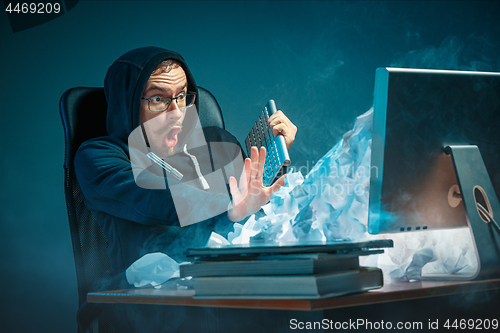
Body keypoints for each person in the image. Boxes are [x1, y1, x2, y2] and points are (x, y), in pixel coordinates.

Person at [74, 46, 297, 278]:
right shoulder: (99, 156)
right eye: (159, 99)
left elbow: (256, 215)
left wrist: (274, 165)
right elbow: (156, 198)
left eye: (181, 96)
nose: (177, 112)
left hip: (236, 276)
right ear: (126, 103)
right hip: (153, 298)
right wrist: (230, 207)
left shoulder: (219, 143)